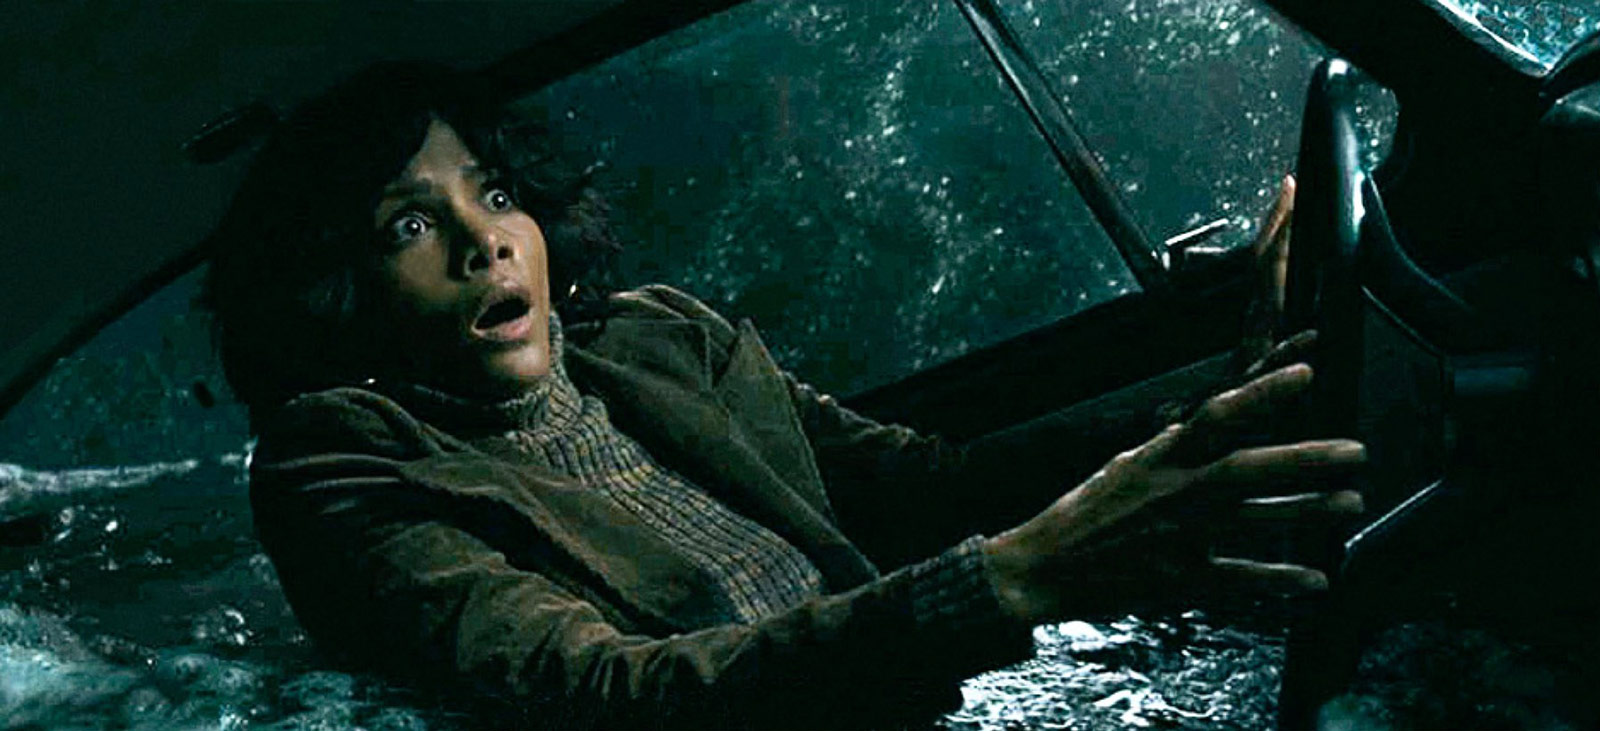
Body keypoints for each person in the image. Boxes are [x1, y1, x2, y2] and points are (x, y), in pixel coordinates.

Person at [203, 62, 1364, 729]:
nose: (485, 242)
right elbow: (605, 694)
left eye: (495, 192)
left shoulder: (657, 338)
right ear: (335, 290)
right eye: (408, 225)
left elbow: (925, 484)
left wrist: (1218, 412)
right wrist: (1008, 577)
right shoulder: (343, 461)